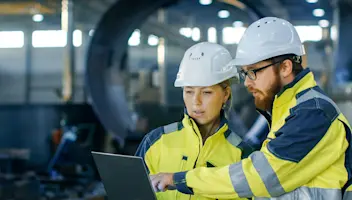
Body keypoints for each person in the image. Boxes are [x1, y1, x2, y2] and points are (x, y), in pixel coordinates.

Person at [150, 17, 352, 200]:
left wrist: (182, 180)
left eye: (253, 72)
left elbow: (260, 177)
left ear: (285, 67)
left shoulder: (313, 113)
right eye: (245, 73)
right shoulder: (289, 110)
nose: (247, 83)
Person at [135, 42, 253, 200]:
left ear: (226, 94)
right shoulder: (155, 142)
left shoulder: (241, 156)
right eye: (189, 91)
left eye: (206, 92)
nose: (196, 102)